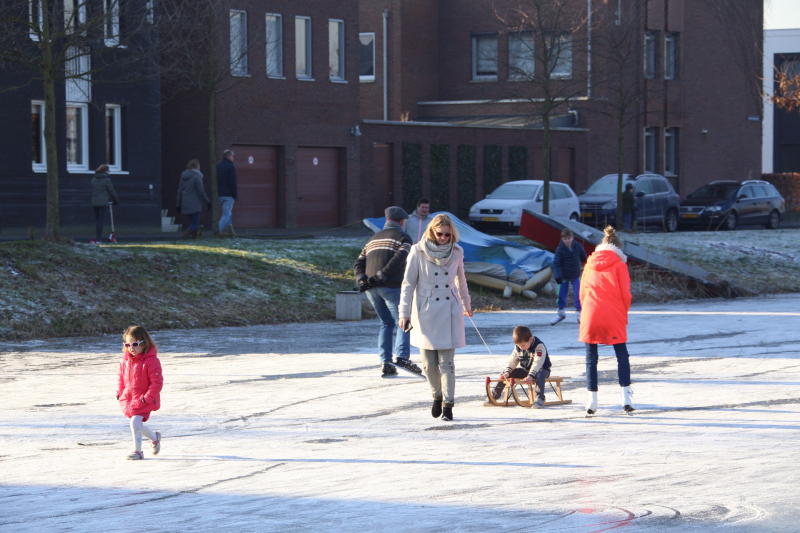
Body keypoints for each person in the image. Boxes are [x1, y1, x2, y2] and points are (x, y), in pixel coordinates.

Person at [399, 213, 473, 422]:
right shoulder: (417, 251)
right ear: (432, 231)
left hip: (450, 310)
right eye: (440, 234)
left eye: (447, 235)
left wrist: (467, 305)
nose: (443, 238)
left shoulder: (456, 252)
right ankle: (436, 396)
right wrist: (404, 313)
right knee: (429, 365)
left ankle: (449, 405)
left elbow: (462, 281)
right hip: (425, 311)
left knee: (447, 363)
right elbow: (407, 285)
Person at [354, 206, 421, 377]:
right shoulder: (403, 238)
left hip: (371, 289)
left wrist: (362, 279)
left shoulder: (372, 239)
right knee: (403, 322)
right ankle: (402, 356)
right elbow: (399, 259)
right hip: (391, 286)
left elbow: (358, 263)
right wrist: (382, 275)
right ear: (401, 221)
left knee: (386, 323)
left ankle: (385, 362)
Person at [579, 226, 634, 415]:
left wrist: (584, 313)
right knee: (621, 355)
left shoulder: (588, 264)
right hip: (613, 313)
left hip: (591, 312)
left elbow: (582, 293)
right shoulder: (620, 265)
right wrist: (622, 313)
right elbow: (626, 294)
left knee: (591, 358)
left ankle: (591, 401)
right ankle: (626, 397)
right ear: (618, 248)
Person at [116, 325, 163, 460]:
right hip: (129, 398)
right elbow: (121, 378)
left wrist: (146, 398)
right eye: (128, 344)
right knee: (138, 425)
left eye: (135, 344)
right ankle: (155, 437)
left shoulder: (151, 361)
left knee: (134, 423)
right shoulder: (125, 360)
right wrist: (120, 393)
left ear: (144, 343)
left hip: (144, 399)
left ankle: (138, 451)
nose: (131, 347)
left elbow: (157, 383)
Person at [492, 326, 552, 408]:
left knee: (539, 375)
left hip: (542, 370)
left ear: (530, 339)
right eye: (519, 346)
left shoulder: (539, 346)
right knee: (506, 374)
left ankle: (539, 398)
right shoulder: (518, 347)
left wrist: (531, 376)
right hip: (526, 370)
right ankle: (493, 396)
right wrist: (507, 372)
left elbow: (538, 363)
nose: (521, 348)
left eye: (523, 346)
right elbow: (513, 360)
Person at [550, 228, 588, 325]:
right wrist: (557, 276)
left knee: (579, 294)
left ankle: (579, 313)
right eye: (565, 238)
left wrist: (589, 268)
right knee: (561, 294)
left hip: (575, 275)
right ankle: (561, 312)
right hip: (564, 276)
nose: (567, 240)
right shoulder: (560, 249)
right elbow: (556, 263)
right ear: (562, 239)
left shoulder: (578, 246)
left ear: (572, 237)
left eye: (568, 238)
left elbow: (585, 258)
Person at [176, 159, 211, 240]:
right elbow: (201, 191)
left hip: (185, 203)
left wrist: (178, 204)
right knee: (195, 224)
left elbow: (180, 190)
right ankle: (184, 237)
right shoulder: (197, 176)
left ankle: (195, 238)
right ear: (197, 167)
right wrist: (208, 202)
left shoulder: (183, 175)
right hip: (195, 203)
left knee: (193, 222)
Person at [90, 164, 119, 244]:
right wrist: (116, 201)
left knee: (98, 221)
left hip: (95, 203)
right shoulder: (107, 180)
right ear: (105, 171)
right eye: (108, 170)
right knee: (101, 221)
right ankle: (99, 240)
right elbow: (111, 191)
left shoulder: (94, 179)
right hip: (103, 203)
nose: (109, 172)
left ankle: (98, 238)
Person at [216, 149, 238, 235]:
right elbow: (232, 182)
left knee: (229, 213)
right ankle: (217, 231)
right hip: (228, 195)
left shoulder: (218, 166)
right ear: (229, 156)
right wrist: (235, 195)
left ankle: (230, 231)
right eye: (233, 156)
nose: (233, 158)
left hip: (220, 195)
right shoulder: (230, 166)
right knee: (226, 214)